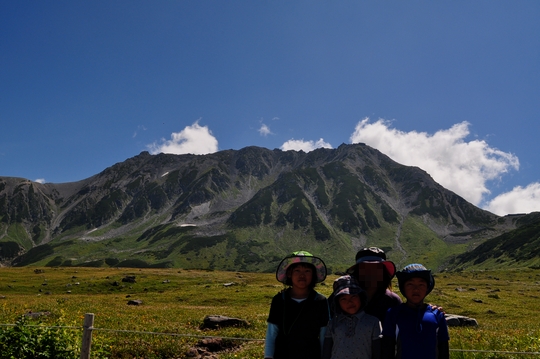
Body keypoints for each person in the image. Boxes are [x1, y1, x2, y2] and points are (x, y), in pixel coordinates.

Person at [264, 250, 330, 359]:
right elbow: (272, 332)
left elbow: (324, 334)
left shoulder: (320, 301)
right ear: (289, 274)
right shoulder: (279, 300)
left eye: (307, 271)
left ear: (313, 274)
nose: (302, 275)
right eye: (297, 271)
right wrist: (268, 356)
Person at [381, 264, 450, 359]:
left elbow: (444, 351)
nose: (416, 289)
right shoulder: (393, 314)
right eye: (410, 284)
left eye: (421, 284)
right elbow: (387, 351)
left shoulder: (437, 316)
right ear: (403, 288)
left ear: (427, 288)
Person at [322, 275, 382, 359]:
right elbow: (326, 352)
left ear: (361, 297)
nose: (349, 302)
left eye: (353, 296)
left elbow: (377, 353)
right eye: (343, 299)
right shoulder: (333, 323)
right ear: (337, 303)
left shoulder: (373, 322)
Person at [346, 247, 401, 322]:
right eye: (366, 269)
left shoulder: (392, 301)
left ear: (383, 272)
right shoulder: (344, 296)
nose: (371, 273)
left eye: (376, 269)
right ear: (358, 272)